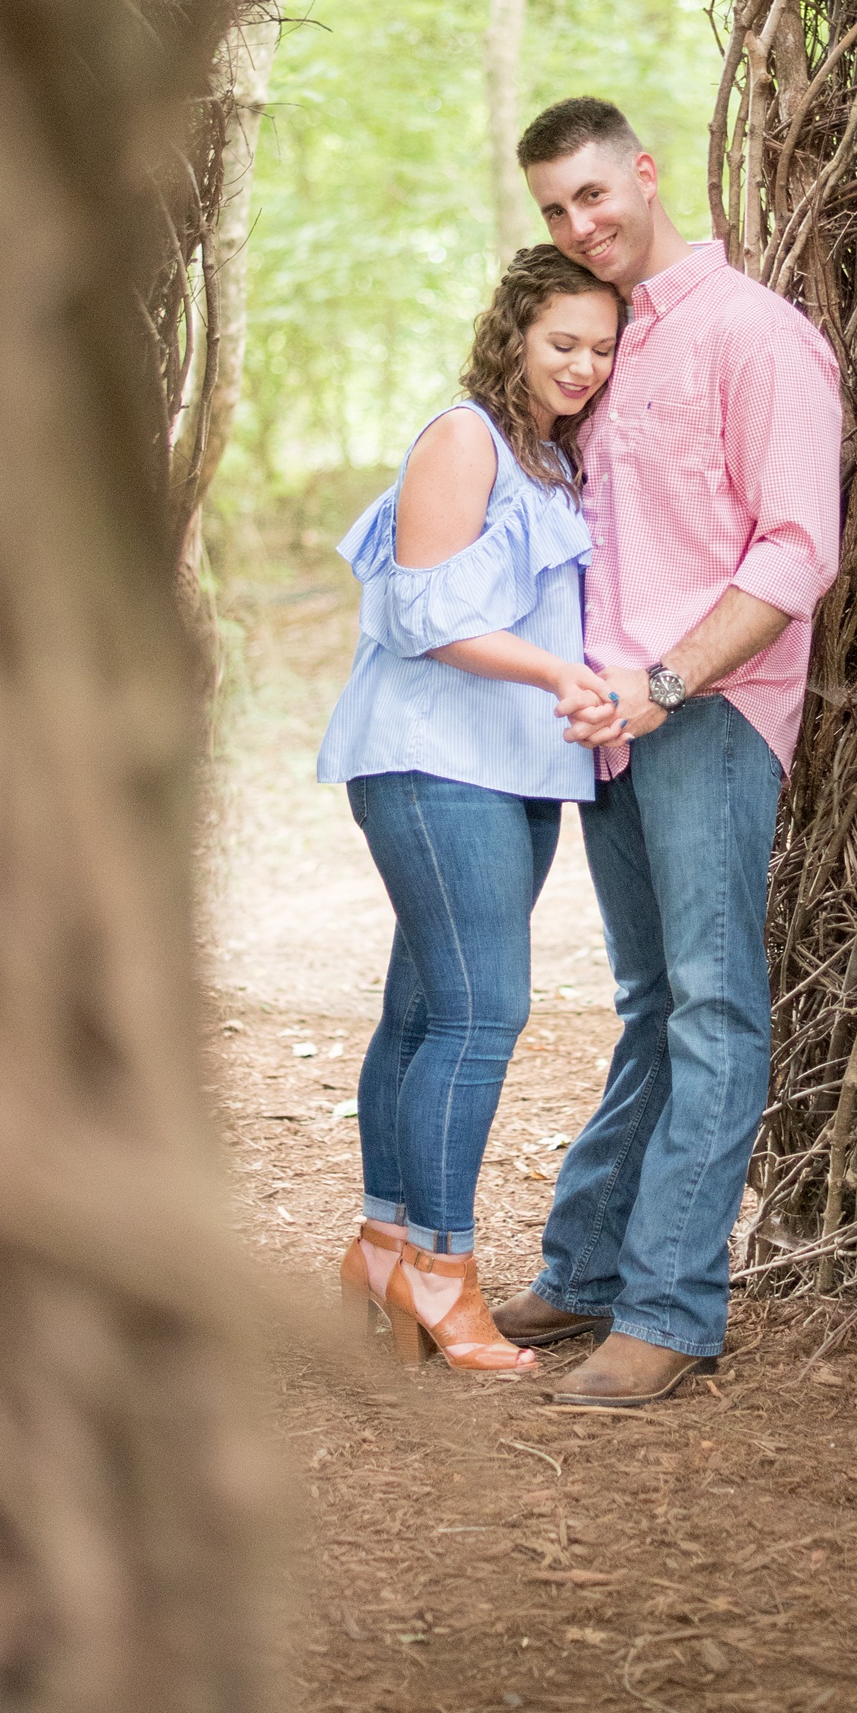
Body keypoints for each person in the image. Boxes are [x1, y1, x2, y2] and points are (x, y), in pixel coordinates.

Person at [494, 98, 843, 1410]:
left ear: (646, 173)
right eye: (556, 209)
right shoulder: (603, 343)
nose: (583, 223)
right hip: (613, 722)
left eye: (596, 192)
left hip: (706, 711)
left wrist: (665, 681)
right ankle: (587, 1271)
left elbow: (798, 550)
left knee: (711, 1005)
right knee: (650, 1005)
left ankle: (674, 1309)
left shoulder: (758, 337)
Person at [318, 245, 623, 1375]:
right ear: (513, 333)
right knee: (480, 1014)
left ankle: (383, 1249)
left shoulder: (552, 456)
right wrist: (557, 680)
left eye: (600, 346)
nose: (582, 364)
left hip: (513, 770)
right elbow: (421, 618)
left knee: (421, 1011)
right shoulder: (466, 438)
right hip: (431, 759)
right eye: (561, 342)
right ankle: (443, 1277)